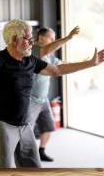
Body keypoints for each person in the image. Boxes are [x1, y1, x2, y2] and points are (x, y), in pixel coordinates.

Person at [0, 19, 104, 168]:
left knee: (33, 166)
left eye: (32, 39)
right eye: (28, 39)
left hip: (24, 123)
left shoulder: (31, 61)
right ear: (14, 39)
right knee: (3, 166)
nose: (32, 43)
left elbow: (57, 70)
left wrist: (90, 63)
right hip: (2, 123)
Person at [29, 26, 80, 162]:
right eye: (51, 37)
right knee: (25, 130)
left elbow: (62, 64)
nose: (53, 40)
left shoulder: (50, 56)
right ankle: (22, 155)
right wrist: (68, 38)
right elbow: (47, 49)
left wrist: (86, 62)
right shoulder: (34, 50)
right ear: (41, 37)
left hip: (43, 98)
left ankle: (41, 151)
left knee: (48, 126)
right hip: (30, 99)